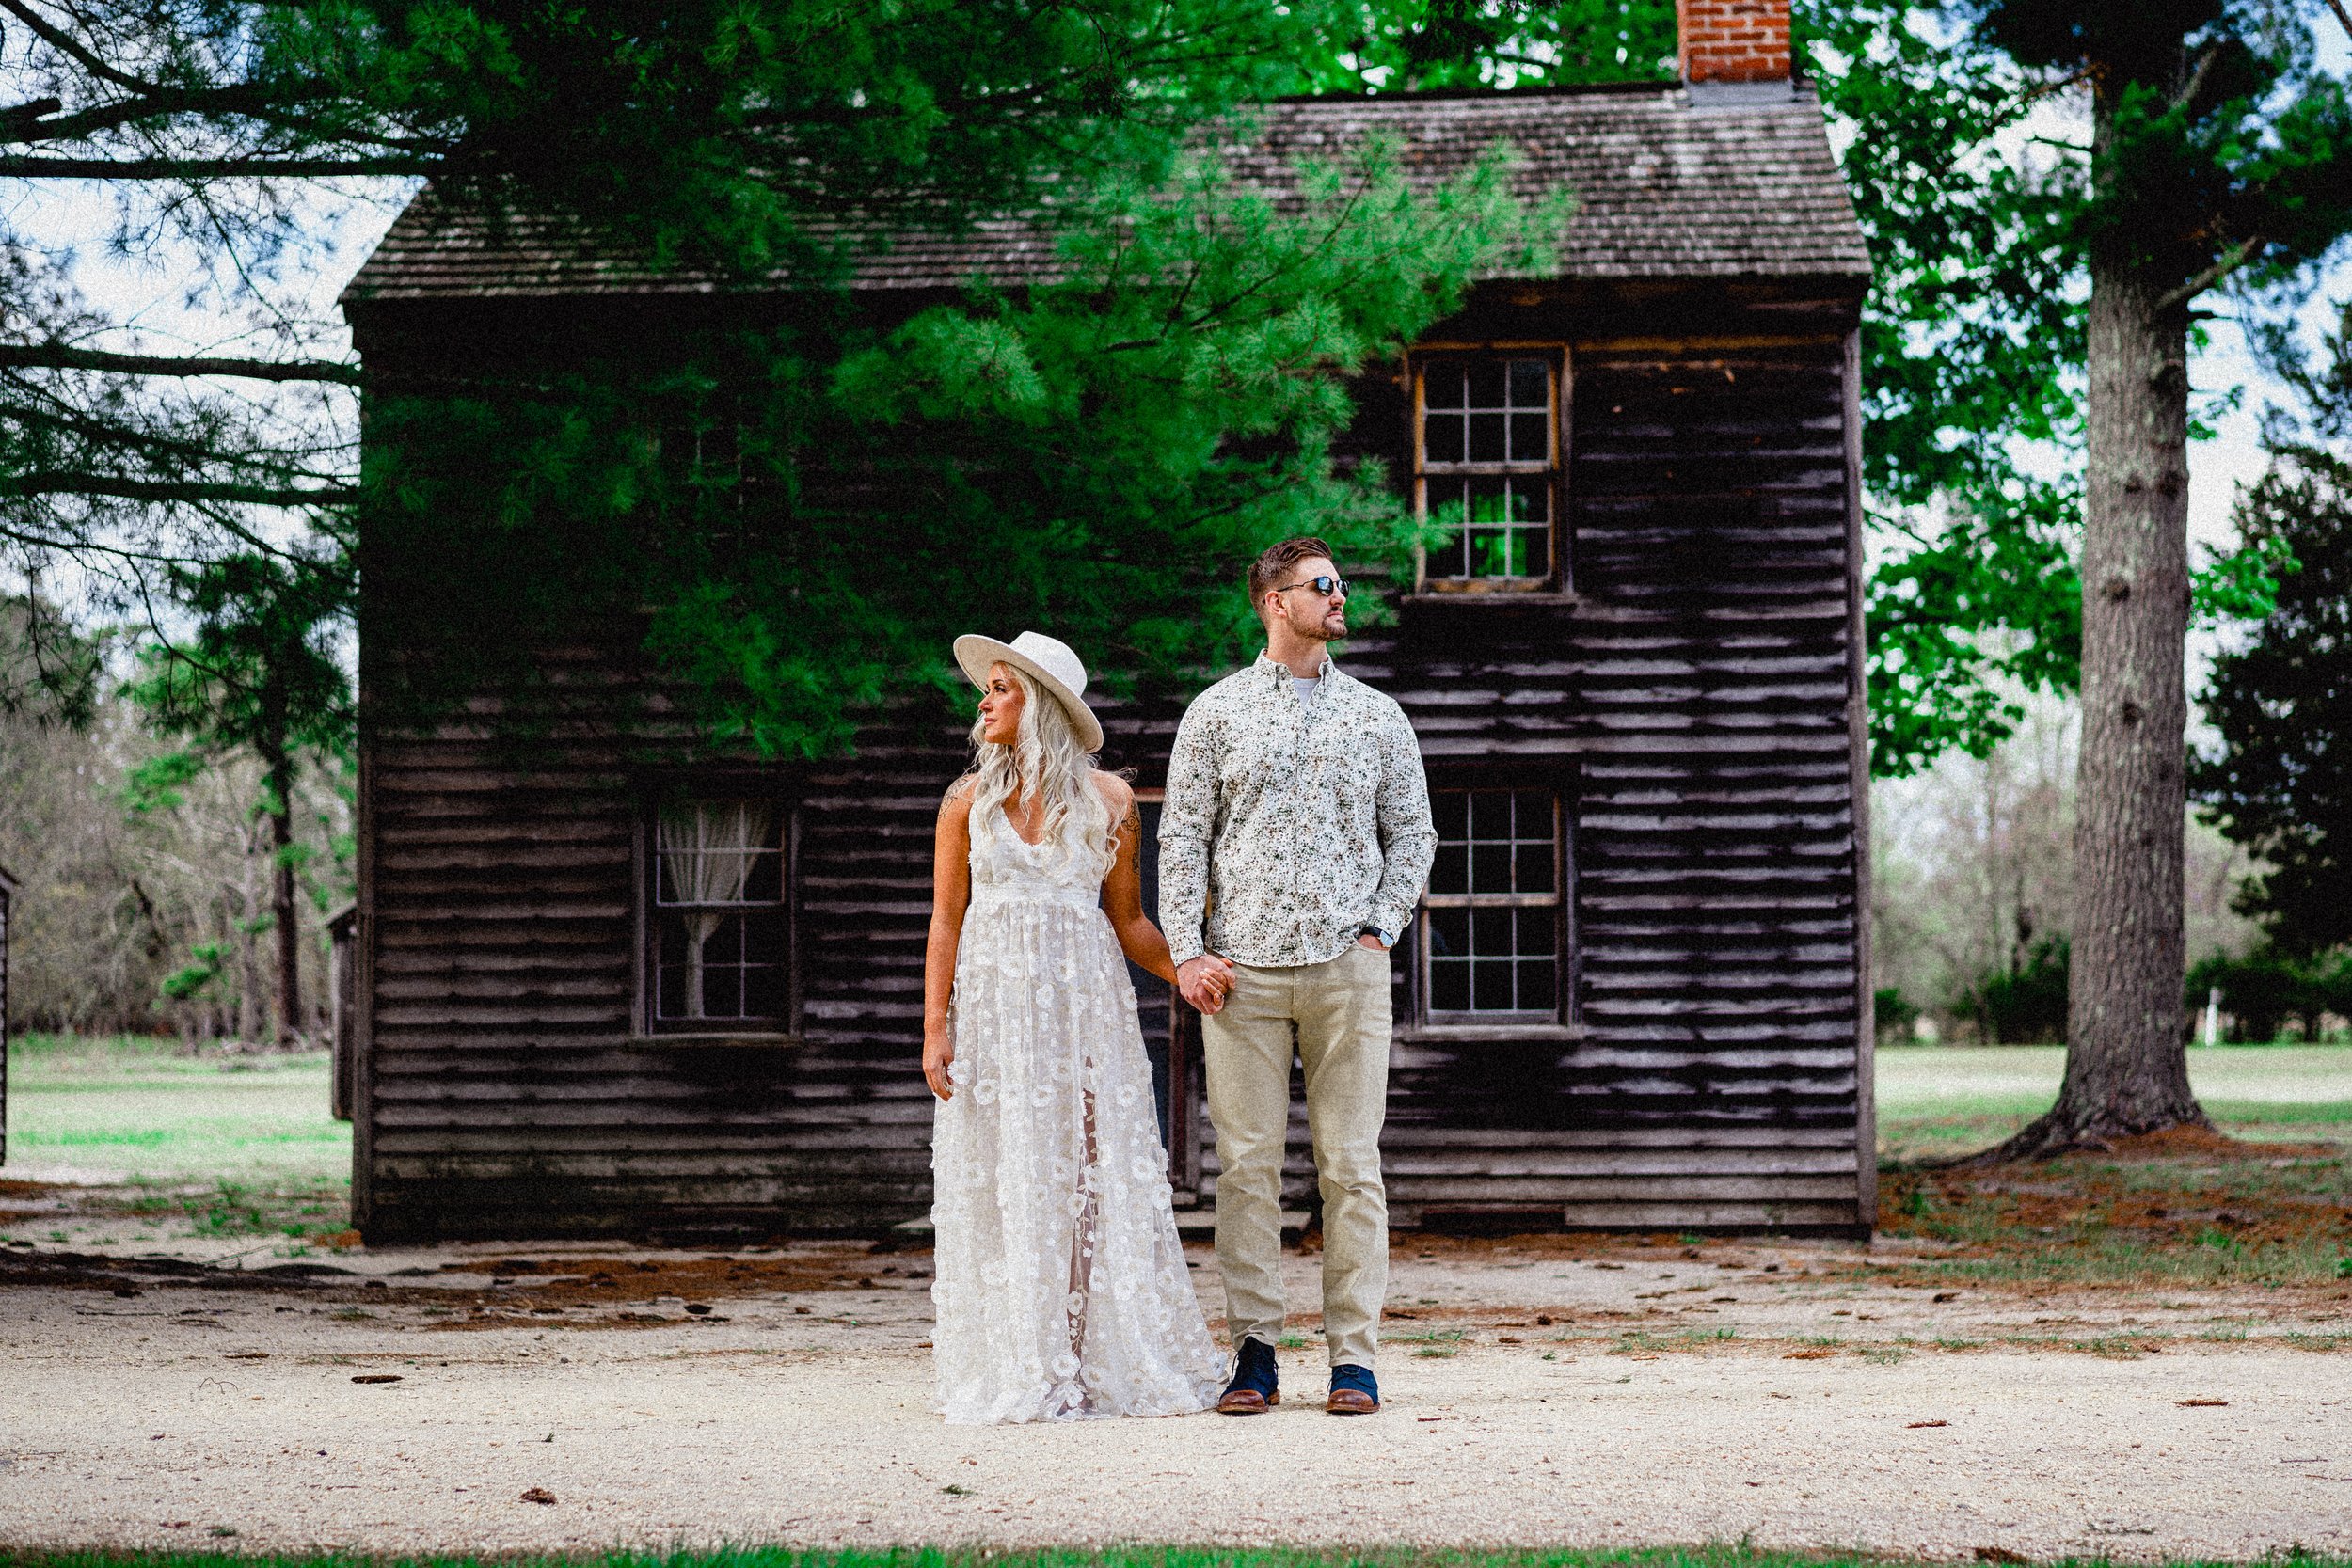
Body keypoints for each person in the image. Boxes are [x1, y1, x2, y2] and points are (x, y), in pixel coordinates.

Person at [1160, 536, 1437, 1417]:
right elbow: (1182, 839)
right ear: (1275, 602)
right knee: (1245, 1170)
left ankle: (1354, 1356)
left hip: (1345, 973)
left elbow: (1415, 834)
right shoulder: (1215, 713)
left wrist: (1378, 928)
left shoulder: (1379, 716)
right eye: (1323, 586)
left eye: (1340, 584)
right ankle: (1255, 1353)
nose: (1339, 596)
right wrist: (1187, 950)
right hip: (1239, 976)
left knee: (1351, 1167)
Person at [922, 629, 1226, 1425]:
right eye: (984, 688)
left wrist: (1187, 969)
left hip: (1082, 1006)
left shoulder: (1111, 802)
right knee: (1004, 1170)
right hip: (993, 1012)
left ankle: (1077, 1352)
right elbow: (945, 920)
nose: (983, 701)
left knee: (1087, 1174)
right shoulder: (966, 802)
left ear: (1042, 704)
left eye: (1000, 687)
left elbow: (1128, 922)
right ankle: (1021, 1354)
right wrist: (933, 1026)